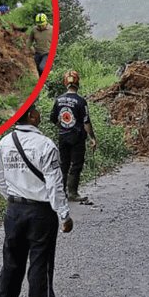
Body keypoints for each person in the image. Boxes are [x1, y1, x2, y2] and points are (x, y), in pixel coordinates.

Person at [0, 102, 74, 297]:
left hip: (14, 210)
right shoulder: (45, 145)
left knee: (11, 260)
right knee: (40, 262)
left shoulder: (4, 143)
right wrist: (64, 215)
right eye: (36, 110)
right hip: (40, 212)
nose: (39, 113)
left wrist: (14, 198)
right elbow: (55, 185)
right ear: (31, 116)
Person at [50, 70, 97, 201]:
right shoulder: (81, 101)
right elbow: (86, 122)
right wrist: (92, 137)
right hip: (77, 138)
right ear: (78, 83)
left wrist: (62, 127)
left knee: (63, 165)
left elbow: (53, 118)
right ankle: (73, 193)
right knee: (76, 164)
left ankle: (61, 193)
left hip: (63, 137)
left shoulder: (58, 100)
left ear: (65, 83)